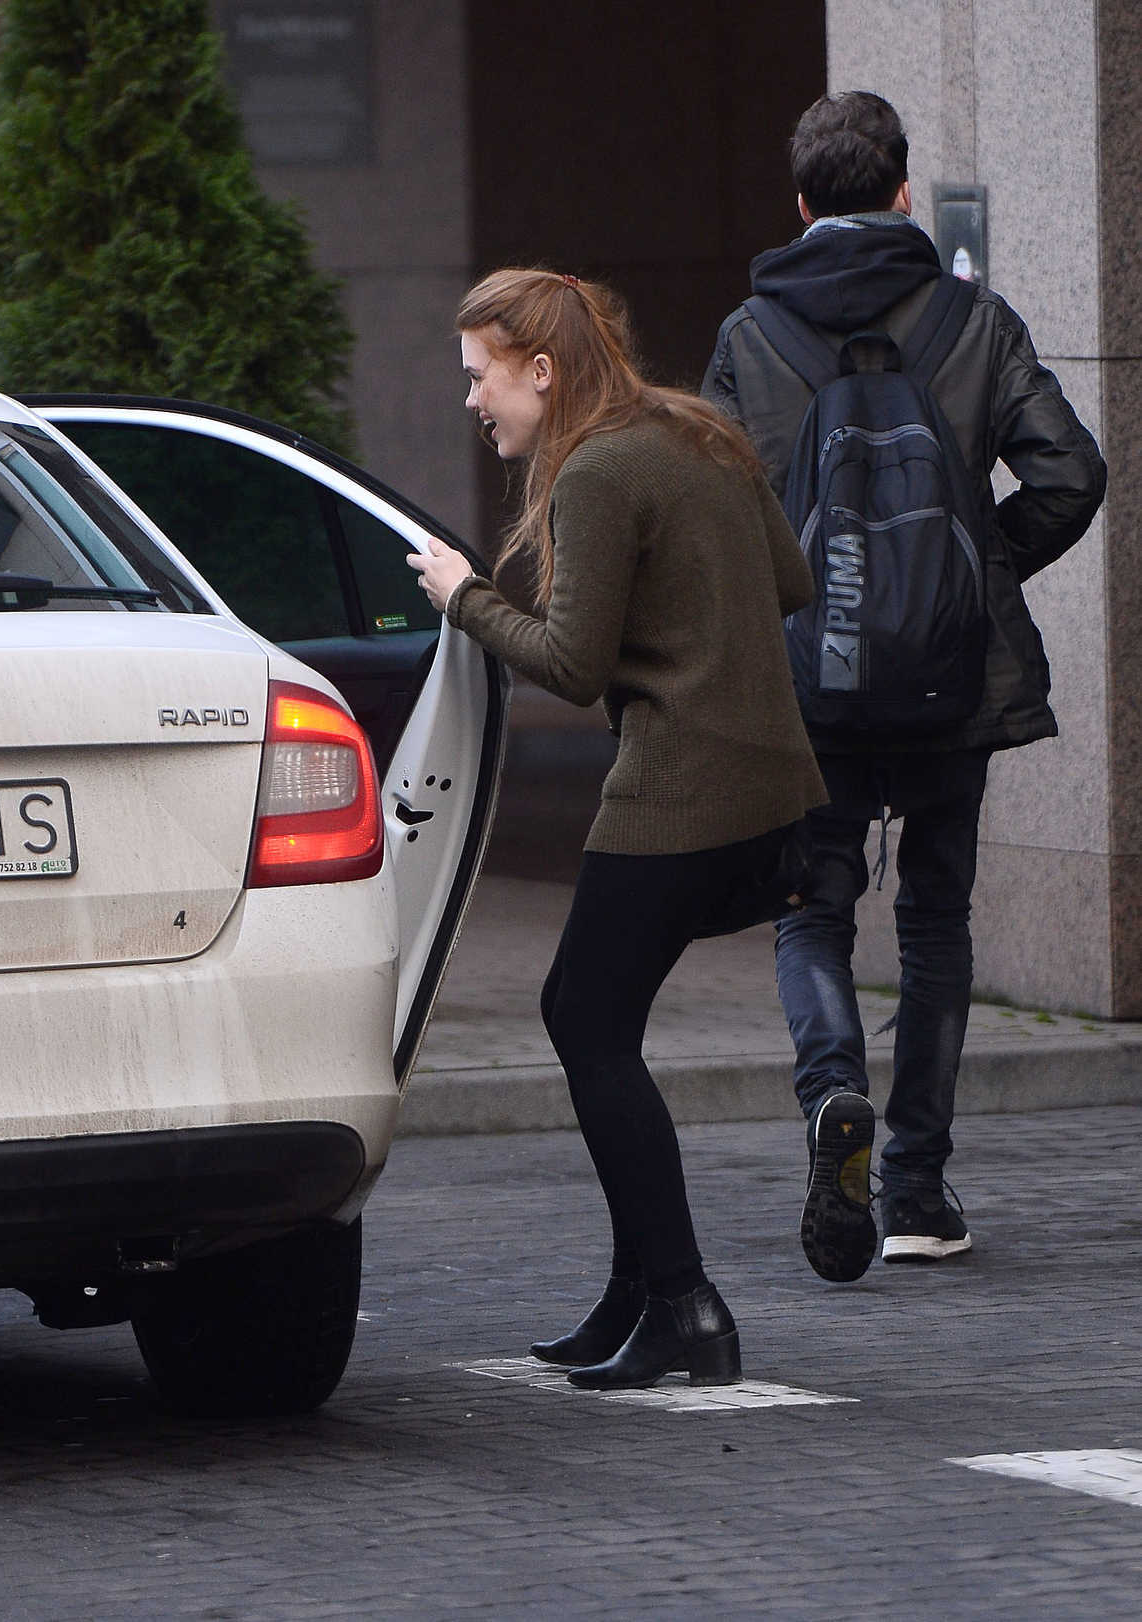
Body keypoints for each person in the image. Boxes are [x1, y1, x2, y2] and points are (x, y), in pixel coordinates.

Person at [702, 91, 1107, 1279]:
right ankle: (918, 1190)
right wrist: (969, 575)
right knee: (935, 922)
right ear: (899, 191)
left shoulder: (748, 336)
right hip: (947, 686)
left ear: (798, 201)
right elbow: (1069, 472)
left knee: (810, 909)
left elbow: (722, 519)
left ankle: (835, 1095)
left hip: (807, 687)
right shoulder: (973, 321)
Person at [408, 267, 826, 1390]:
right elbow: (788, 578)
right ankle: (637, 1292)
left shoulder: (594, 467)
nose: (472, 400)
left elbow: (569, 661)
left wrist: (461, 593)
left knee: (582, 1016)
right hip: (770, 786)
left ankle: (685, 1301)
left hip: (681, 786)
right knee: (595, 1015)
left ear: (540, 370)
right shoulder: (696, 430)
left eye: (480, 376)